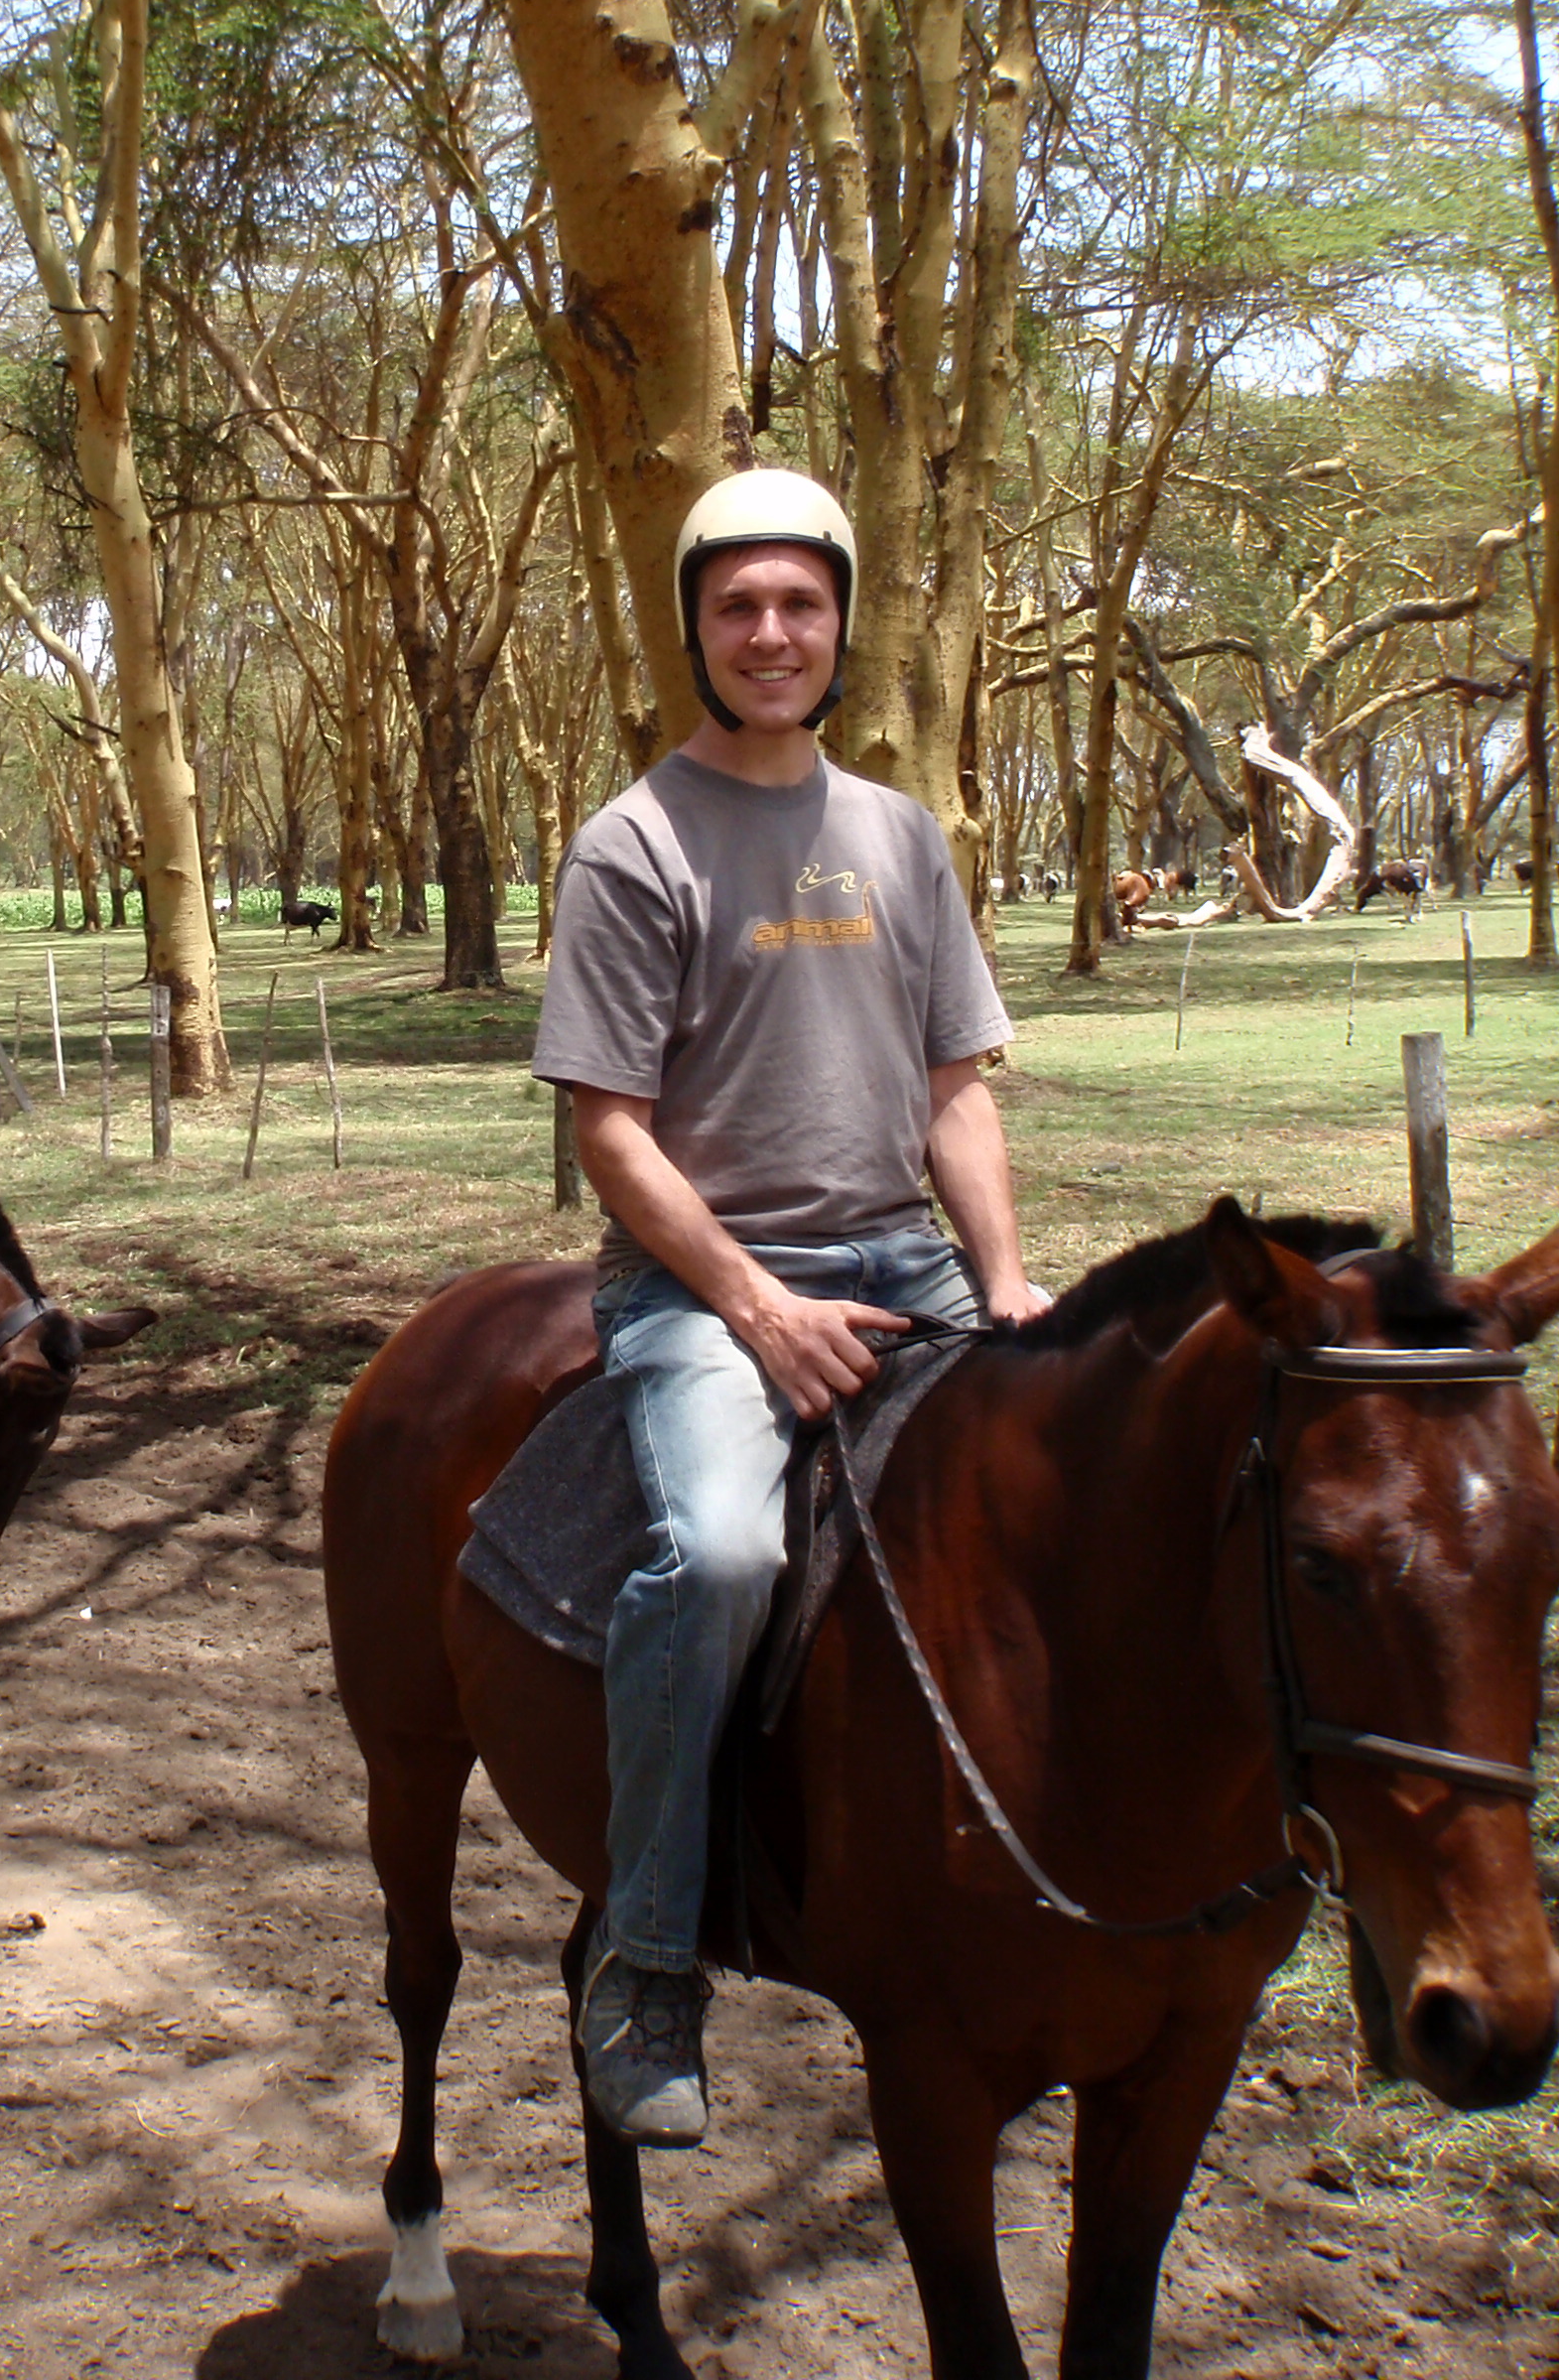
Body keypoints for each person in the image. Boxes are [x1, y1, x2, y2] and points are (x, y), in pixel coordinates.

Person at [530, 468, 1046, 2149]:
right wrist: (751, 1304)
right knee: (726, 1558)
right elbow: (607, 1127)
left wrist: (1006, 1283)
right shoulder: (633, 843)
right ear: (693, 626)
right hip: (697, 1283)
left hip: (900, 1261)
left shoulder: (900, 835)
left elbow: (954, 1089)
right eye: (736, 606)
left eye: (797, 606)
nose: (769, 634)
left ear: (837, 626)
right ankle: (648, 1956)